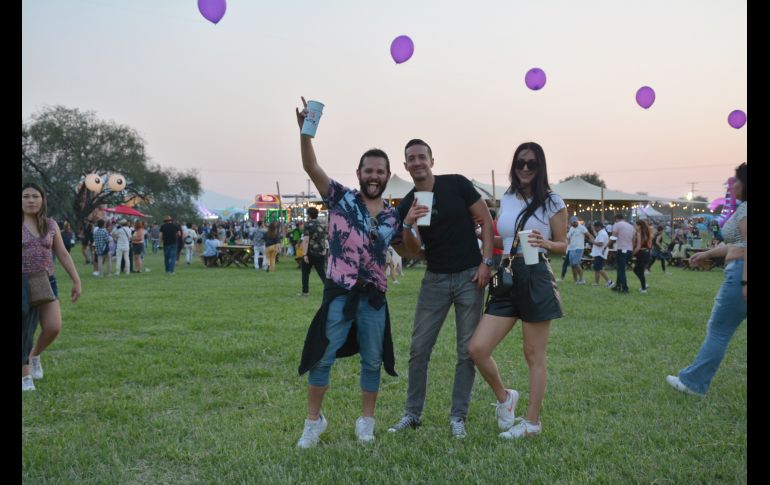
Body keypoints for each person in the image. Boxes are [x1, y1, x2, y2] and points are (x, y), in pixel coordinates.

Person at [294, 96, 412, 448]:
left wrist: (412, 226)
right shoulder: (340, 198)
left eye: (380, 171)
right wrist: (306, 133)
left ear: (387, 176)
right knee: (323, 357)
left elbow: (410, 251)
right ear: (359, 173)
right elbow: (311, 167)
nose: (374, 176)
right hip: (340, 293)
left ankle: (366, 422)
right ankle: (313, 423)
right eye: (368, 170)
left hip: (374, 298)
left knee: (373, 361)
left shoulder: (393, 216)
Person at [388, 138, 495, 439]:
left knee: (466, 351)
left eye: (422, 157)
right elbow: (408, 251)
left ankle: (458, 416)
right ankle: (412, 414)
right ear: (405, 165)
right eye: (411, 158)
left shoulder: (456, 184)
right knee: (419, 349)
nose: (417, 162)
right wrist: (408, 225)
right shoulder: (407, 203)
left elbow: (487, 221)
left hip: (470, 276)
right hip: (434, 279)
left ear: (432, 161)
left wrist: (486, 262)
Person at [464, 142, 567, 440]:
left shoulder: (552, 201)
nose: (524, 168)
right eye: (520, 162)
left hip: (536, 273)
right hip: (508, 273)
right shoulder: (507, 197)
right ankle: (505, 397)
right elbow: (505, 240)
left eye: (531, 164)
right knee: (477, 349)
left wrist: (546, 243)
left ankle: (532, 423)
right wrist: (481, 233)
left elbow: (563, 244)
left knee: (534, 354)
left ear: (540, 167)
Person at [667, 163, 747, 396]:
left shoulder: (745, 209)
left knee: (719, 331)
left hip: (740, 274)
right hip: (738, 269)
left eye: (737, 181)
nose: (733, 186)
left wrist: (745, 282)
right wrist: (707, 254)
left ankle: (694, 383)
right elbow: (737, 245)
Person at [22, 183, 82, 391]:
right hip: (23, 282)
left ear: (42, 200)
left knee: (53, 327)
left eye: (35, 196)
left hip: (46, 281)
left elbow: (63, 253)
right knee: (24, 330)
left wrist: (76, 280)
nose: (31, 200)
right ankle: (25, 375)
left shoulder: (50, 225)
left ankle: (34, 355)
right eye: (26, 196)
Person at [299, 207, 327, 296]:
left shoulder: (307, 225)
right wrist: (324, 250)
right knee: (322, 273)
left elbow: (306, 240)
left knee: (305, 273)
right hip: (320, 252)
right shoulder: (322, 225)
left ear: (309, 215)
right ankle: (329, 290)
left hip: (310, 253)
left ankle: (305, 292)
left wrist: (304, 254)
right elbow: (324, 239)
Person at [610, 213, 634, 293]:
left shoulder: (617, 225)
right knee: (620, 268)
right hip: (629, 250)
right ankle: (617, 286)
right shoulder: (631, 226)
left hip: (622, 249)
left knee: (621, 270)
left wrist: (607, 245)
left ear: (616, 218)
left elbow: (613, 237)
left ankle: (625, 288)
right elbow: (633, 239)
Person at [590, 220, 613, 287]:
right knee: (597, 269)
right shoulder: (601, 233)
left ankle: (609, 281)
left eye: (595, 227)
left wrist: (593, 242)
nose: (594, 229)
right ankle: (597, 283)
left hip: (600, 253)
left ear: (599, 227)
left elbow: (601, 244)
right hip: (599, 253)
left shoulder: (602, 234)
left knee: (599, 269)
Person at [566, 216, 588, 284]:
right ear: (571, 223)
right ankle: (575, 280)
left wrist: (594, 242)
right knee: (572, 265)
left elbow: (588, 235)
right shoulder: (571, 228)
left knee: (576, 263)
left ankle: (582, 279)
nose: (574, 223)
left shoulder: (582, 227)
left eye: (575, 222)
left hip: (579, 248)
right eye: (573, 222)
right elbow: (568, 237)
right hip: (571, 248)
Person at [632, 220, 653, 293]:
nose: (634, 226)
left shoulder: (639, 233)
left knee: (639, 271)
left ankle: (644, 289)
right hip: (646, 253)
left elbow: (638, 247)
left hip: (642, 253)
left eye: (635, 225)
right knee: (636, 270)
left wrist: (632, 254)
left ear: (639, 226)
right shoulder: (646, 233)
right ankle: (644, 285)